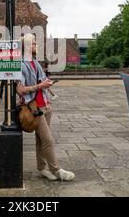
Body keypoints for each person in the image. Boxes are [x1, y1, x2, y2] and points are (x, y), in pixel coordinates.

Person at [16, 33, 75, 181]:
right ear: (27, 47)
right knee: (48, 140)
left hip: (46, 105)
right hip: (34, 108)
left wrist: (47, 83)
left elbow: (42, 81)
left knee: (41, 140)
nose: (36, 45)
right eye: (34, 43)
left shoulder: (35, 63)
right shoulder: (20, 64)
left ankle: (42, 168)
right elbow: (20, 90)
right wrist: (40, 85)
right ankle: (57, 171)